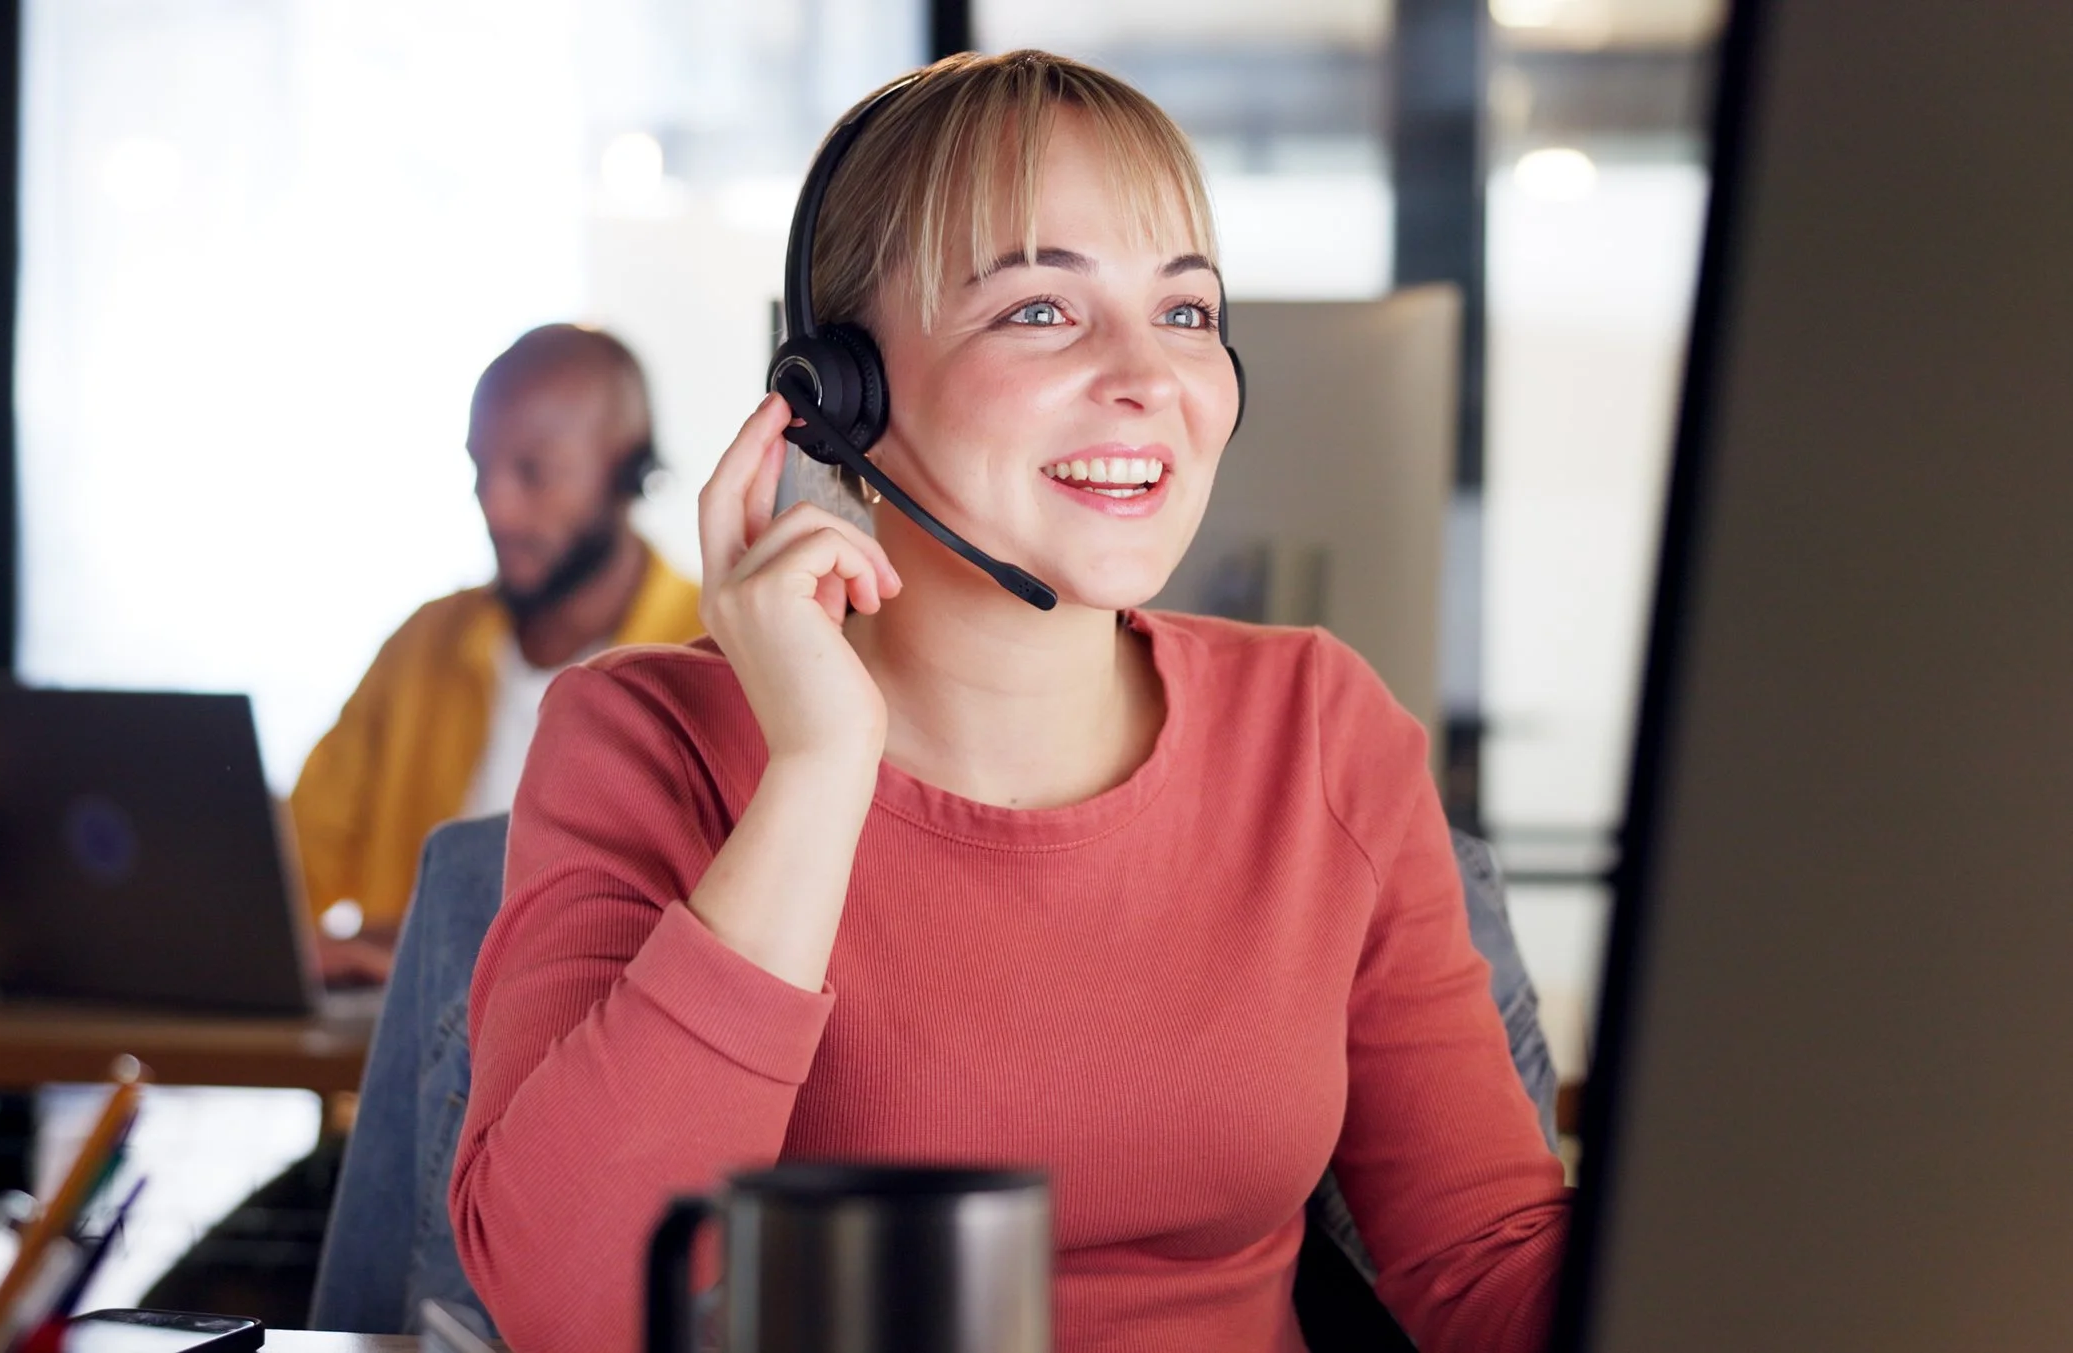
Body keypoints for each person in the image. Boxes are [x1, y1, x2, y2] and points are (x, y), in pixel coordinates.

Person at [450, 51, 1570, 1353]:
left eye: (1189, 313)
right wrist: (816, 771)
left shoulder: (1316, 725)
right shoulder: (644, 740)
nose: (1149, 378)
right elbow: (575, 1312)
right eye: (1042, 310)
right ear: (835, 393)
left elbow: (1487, 1268)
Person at [287, 324, 703, 983]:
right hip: (411, 1059)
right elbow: (295, 859)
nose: (497, 507)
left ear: (627, 470)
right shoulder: (424, 645)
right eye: (481, 469)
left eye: (533, 472)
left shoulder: (715, 654)